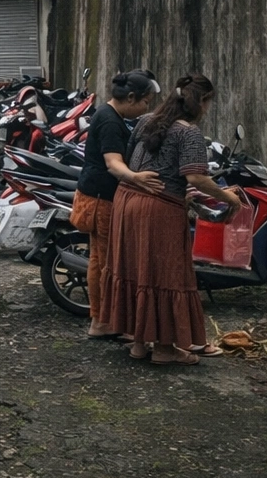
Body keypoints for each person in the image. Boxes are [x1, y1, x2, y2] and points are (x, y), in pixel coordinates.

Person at [98, 73, 242, 366]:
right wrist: (229, 197)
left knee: (137, 270)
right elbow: (196, 177)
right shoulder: (189, 133)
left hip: (127, 201)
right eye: (208, 103)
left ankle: (139, 344)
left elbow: (134, 159)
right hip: (158, 209)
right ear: (202, 101)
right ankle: (164, 348)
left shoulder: (145, 121)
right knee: (166, 274)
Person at [73, 70, 164, 338]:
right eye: (145, 102)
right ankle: (103, 322)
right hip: (101, 199)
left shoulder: (108, 114)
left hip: (96, 194)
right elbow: (113, 164)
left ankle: (102, 320)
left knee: (100, 259)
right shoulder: (110, 122)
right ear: (131, 97)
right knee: (106, 263)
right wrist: (137, 178)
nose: (146, 108)